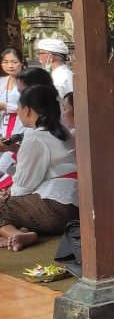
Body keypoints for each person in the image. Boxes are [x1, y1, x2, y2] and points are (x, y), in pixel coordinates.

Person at [0, 84, 78, 251]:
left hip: (54, 209)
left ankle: (13, 233)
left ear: (27, 110)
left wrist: (7, 195)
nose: (18, 112)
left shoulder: (35, 138)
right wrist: (15, 149)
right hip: (74, 208)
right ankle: (22, 233)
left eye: (19, 108)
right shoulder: (63, 131)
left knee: (4, 205)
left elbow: (23, 186)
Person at [0, 49, 25, 183]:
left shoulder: (27, 82)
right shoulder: (2, 81)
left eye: (14, 62)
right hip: (3, 126)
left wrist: (5, 106)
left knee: (8, 165)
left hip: (20, 127)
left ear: (21, 62)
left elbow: (30, 108)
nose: (10, 65)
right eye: (5, 62)